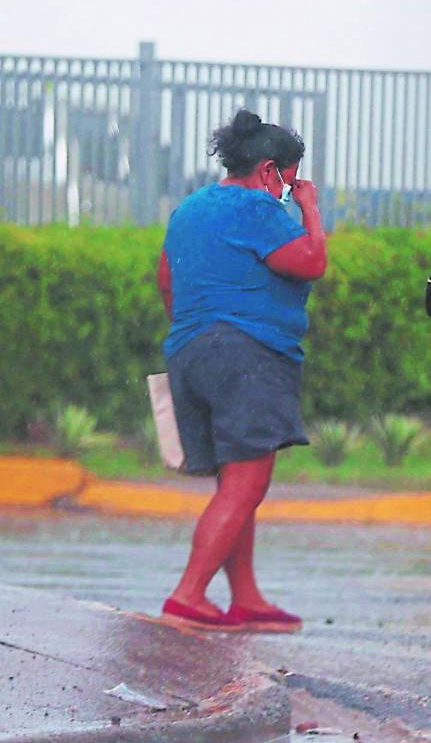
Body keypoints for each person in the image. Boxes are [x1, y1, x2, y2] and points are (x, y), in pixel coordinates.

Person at [156, 109, 327, 633]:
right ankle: (188, 593)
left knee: (235, 481)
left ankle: (246, 596)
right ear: (270, 171)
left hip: (189, 350)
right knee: (246, 484)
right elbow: (310, 261)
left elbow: (166, 280)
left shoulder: (190, 208)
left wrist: (203, 330)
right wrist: (311, 209)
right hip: (248, 355)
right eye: (291, 180)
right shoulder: (258, 207)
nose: (291, 190)